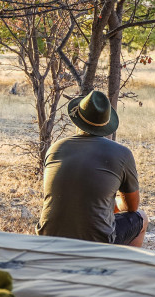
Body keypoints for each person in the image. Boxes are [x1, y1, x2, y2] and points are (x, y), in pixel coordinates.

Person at [35, 90, 148, 247]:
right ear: (106, 125)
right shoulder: (122, 154)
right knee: (141, 217)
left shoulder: (55, 148)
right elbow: (131, 207)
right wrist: (110, 203)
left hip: (47, 238)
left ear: (77, 119)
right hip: (96, 243)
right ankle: (122, 268)